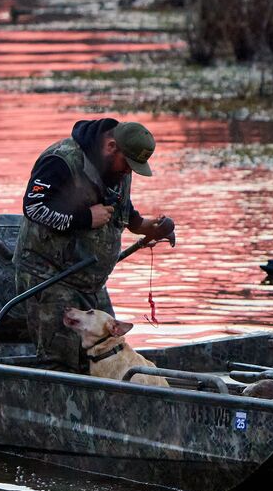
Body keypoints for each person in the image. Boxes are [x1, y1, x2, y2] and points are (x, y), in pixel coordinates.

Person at [13, 117, 175, 372]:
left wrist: (144, 226)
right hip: (49, 276)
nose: (128, 171)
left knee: (111, 348)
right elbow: (34, 207)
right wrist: (85, 218)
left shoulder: (118, 166)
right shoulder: (62, 160)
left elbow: (121, 207)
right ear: (111, 146)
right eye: (128, 164)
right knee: (60, 363)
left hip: (89, 280)